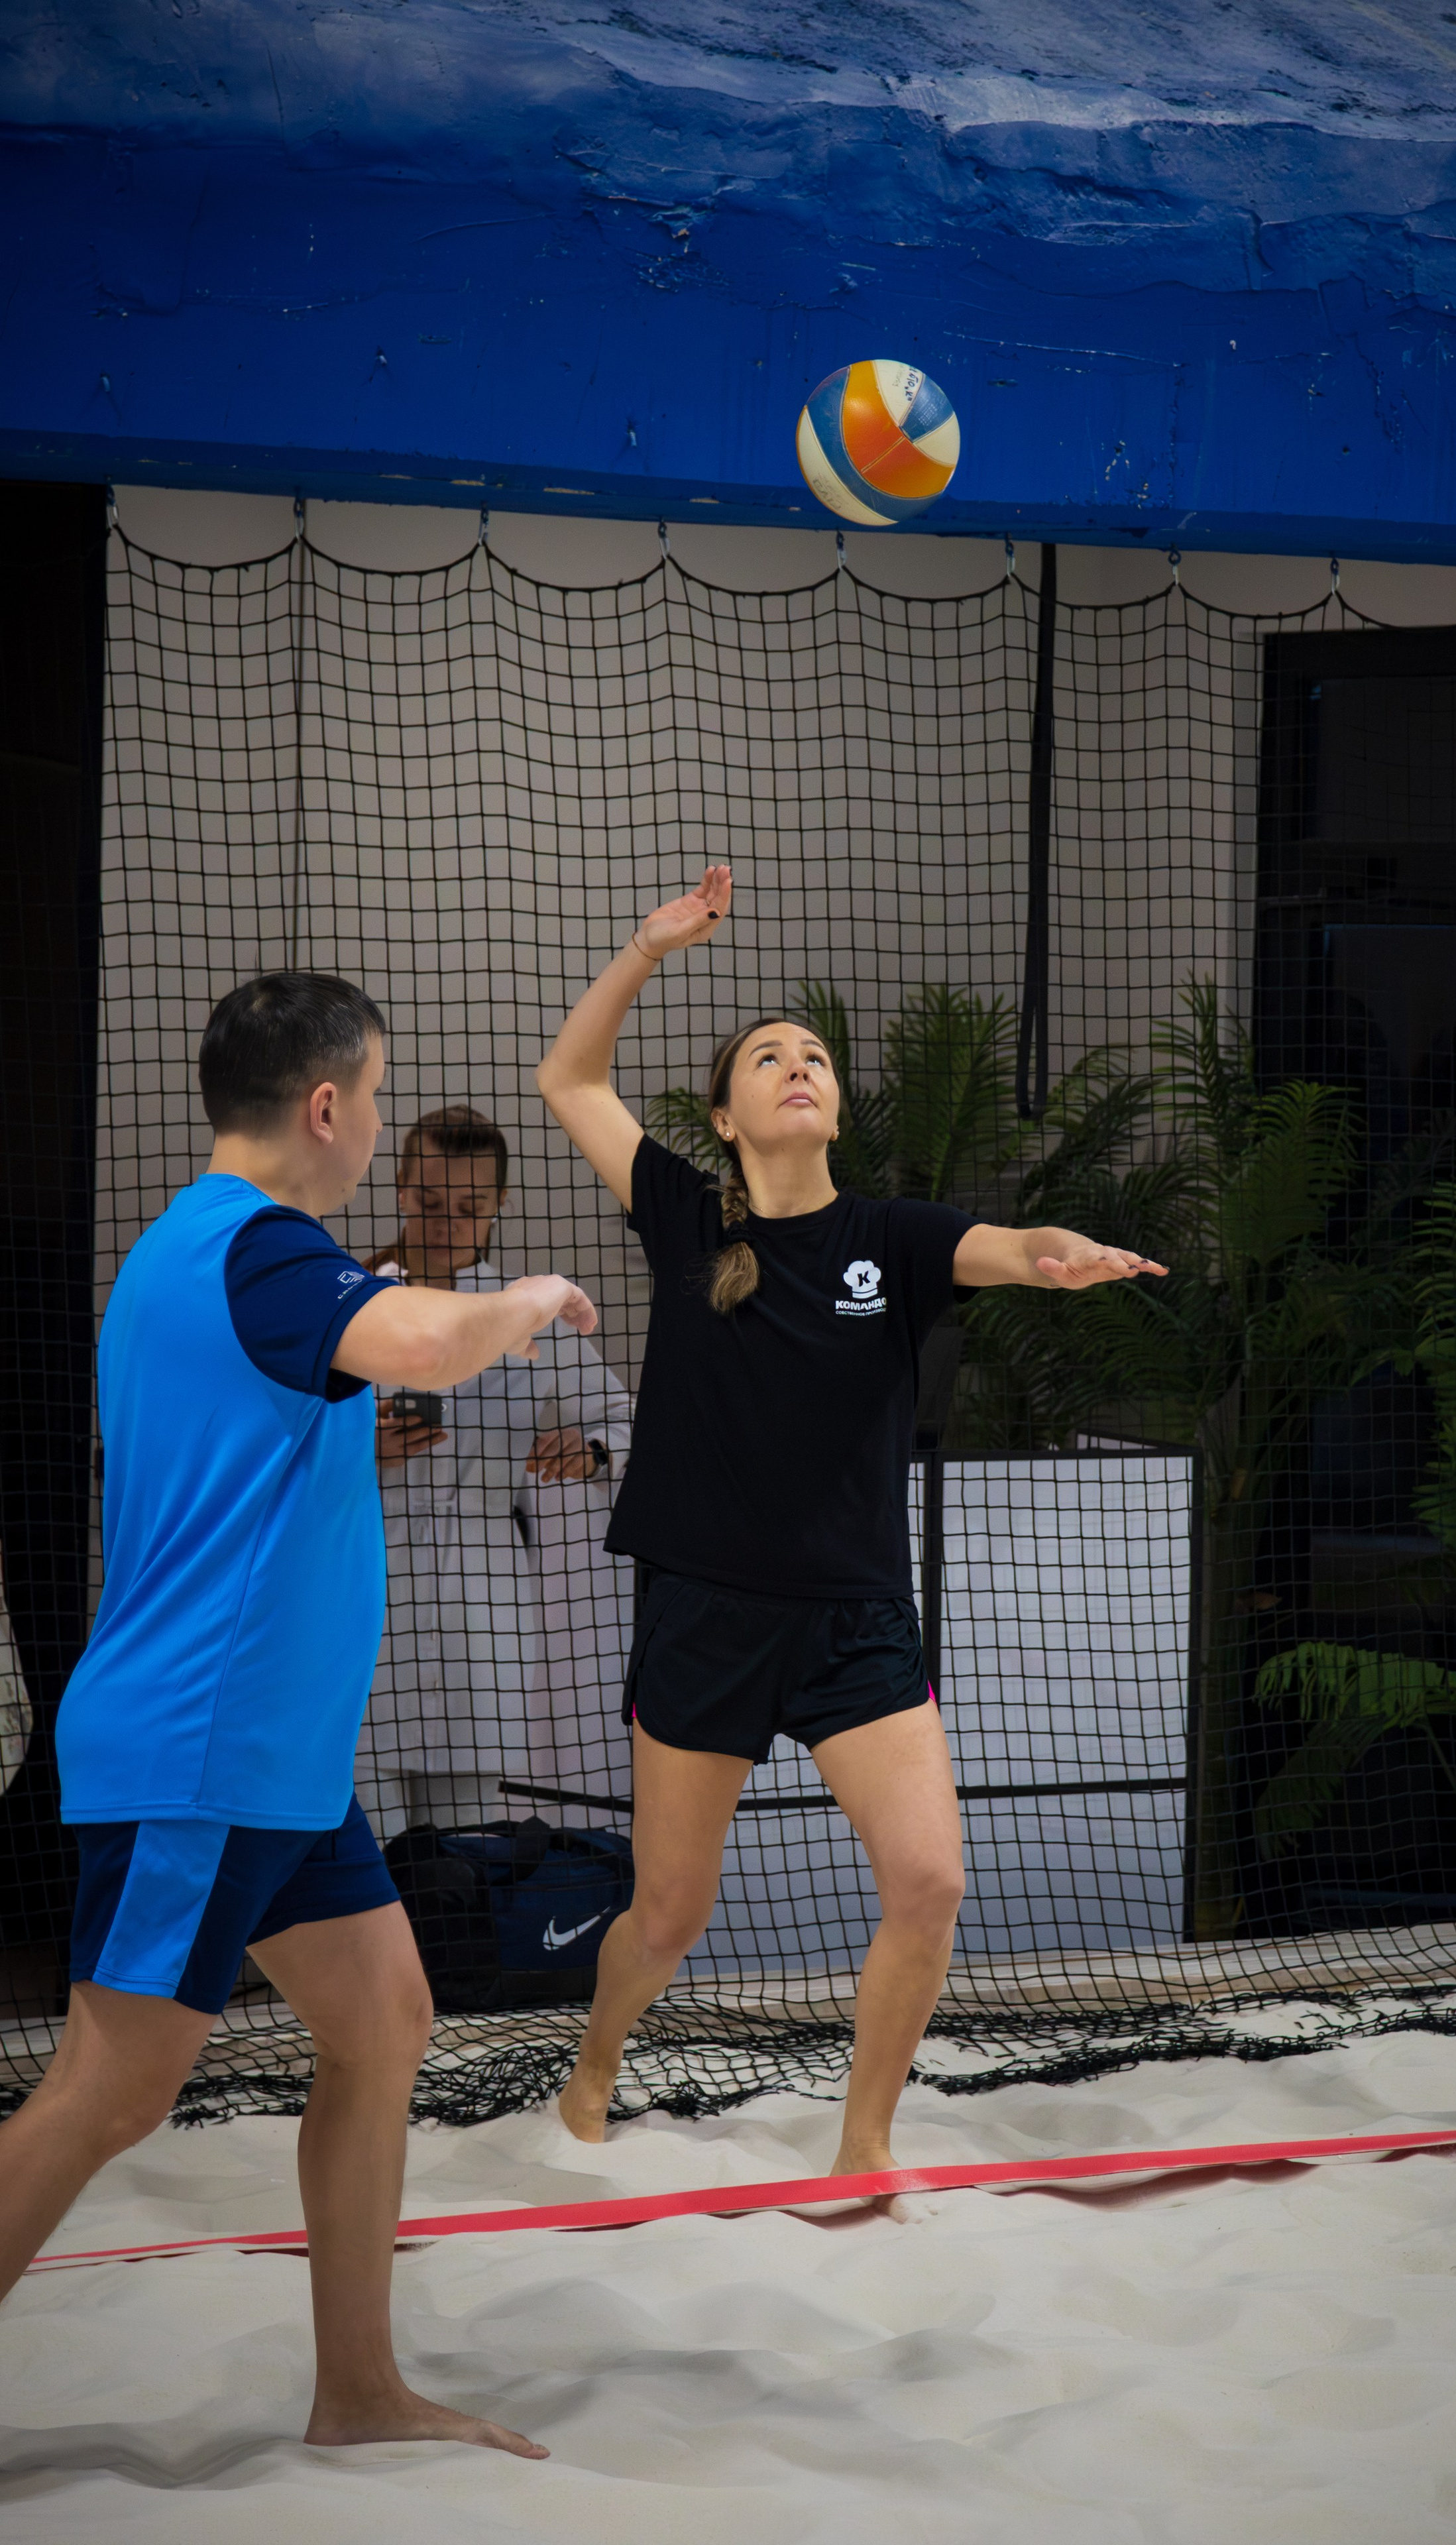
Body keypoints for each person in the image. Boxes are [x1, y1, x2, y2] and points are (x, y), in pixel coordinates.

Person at [0, 971, 594, 2459]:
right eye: (376, 1098)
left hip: (276, 1764)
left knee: (384, 2022)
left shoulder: (179, 1253)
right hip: (202, 1752)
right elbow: (425, 1345)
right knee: (107, 2095)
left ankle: (358, 2396)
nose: (380, 1126)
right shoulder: (261, 1250)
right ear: (324, 1108)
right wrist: (520, 1298)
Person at [535, 868, 1168, 2173]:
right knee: (664, 1919)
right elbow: (569, 1082)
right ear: (727, 1112)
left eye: (814, 1055)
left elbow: (1008, 1241)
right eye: (769, 1056)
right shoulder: (682, 1215)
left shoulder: (895, 1232)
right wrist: (649, 945)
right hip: (704, 1611)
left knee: (928, 1885)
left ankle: (862, 2149)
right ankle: (594, 2065)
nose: (798, 1066)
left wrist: (1062, 1250)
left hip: (857, 1619)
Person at [355, 1105, 633, 1840]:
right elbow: (274, 1439)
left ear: (499, 1207)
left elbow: (631, 1423)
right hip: (358, 1600)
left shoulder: (527, 1316)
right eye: (431, 1201)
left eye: (470, 1207)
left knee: (465, 1864)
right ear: (403, 1190)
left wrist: (594, 1450)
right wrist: (358, 1448)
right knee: (359, 1849)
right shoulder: (351, 1302)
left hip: (485, 1615)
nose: (448, 1220)